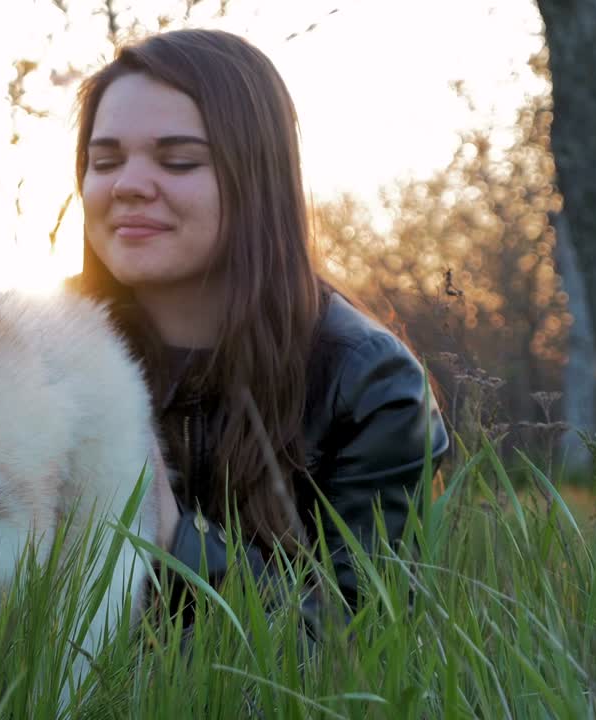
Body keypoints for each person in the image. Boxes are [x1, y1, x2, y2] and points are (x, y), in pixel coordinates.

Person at [67, 27, 450, 632]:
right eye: (104, 160)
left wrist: (168, 533)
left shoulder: (369, 384)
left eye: (179, 161)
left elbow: (355, 644)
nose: (127, 185)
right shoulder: (39, 356)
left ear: (258, 178)